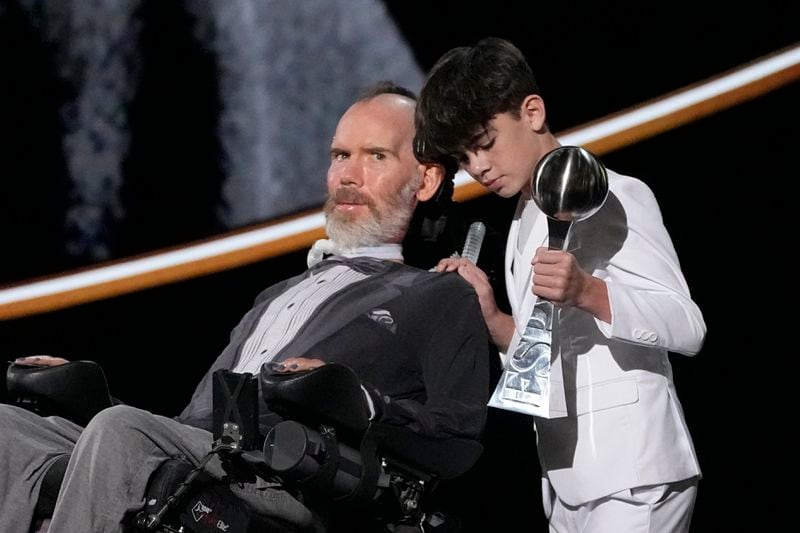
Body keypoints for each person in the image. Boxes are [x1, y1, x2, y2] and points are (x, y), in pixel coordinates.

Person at [0, 81, 490, 533]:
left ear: (425, 181)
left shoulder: (438, 295)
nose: (347, 176)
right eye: (340, 155)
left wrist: (360, 399)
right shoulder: (275, 295)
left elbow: (456, 439)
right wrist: (95, 402)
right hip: (205, 450)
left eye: (375, 156)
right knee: (10, 428)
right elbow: (189, 427)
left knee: (120, 432)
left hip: (280, 475)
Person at [415, 37, 706, 532]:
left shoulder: (615, 193)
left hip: (633, 473)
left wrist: (587, 291)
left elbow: (688, 325)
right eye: (464, 158)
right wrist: (494, 319)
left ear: (532, 112)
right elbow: (545, 351)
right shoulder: (521, 218)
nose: (477, 167)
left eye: (485, 143)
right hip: (565, 481)